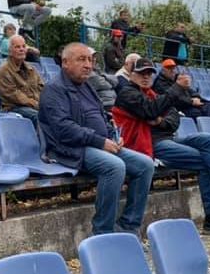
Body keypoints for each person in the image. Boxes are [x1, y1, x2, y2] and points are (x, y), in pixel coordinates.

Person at [113, 58, 210, 235]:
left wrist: (160, 121)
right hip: (149, 144)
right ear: (132, 75)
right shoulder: (127, 93)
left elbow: (174, 118)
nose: (146, 76)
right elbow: (150, 110)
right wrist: (175, 89)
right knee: (206, 162)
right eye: (141, 73)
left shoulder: (152, 94)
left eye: (149, 73)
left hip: (168, 138)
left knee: (208, 139)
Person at [40, 43, 154, 234]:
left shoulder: (87, 86)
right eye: (81, 59)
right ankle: (103, 232)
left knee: (145, 165)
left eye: (89, 60)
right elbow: (64, 129)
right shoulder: (54, 89)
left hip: (98, 143)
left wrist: (114, 135)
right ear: (65, 62)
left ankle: (129, 227)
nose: (88, 65)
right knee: (114, 167)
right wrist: (100, 142)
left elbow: (102, 116)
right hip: (69, 148)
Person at [0, 34, 44, 125]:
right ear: (10, 51)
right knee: (40, 116)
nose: (21, 49)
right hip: (14, 108)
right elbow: (15, 97)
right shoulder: (4, 70)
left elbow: (42, 89)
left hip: (35, 106)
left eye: (23, 46)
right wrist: (38, 105)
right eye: (17, 47)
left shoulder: (32, 69)